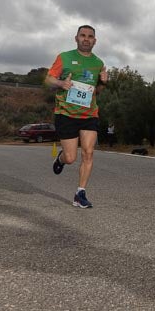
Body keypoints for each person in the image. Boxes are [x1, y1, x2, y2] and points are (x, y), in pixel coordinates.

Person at [46, 25, 108, 209]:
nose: (86, 39)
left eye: (90, 36)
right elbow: (48, 79)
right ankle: (60, 158)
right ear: (76, 38)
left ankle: (80, 193)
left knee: (88, 152)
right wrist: (60, 83)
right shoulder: (64, 57)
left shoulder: (98, 63)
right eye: (83, 35)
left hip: (89, 114)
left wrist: (104, 82)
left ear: (95, 41)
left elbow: (97, 91)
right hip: (66, 113)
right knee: (71, 158)